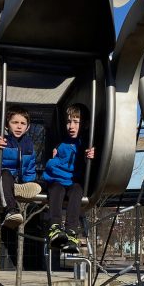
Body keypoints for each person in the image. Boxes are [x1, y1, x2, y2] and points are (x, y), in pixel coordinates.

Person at [42, 104, 95, 254]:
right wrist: (54, 160)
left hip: (73, 182)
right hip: (58, 181)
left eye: (76, 122)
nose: (71, 126)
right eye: (69, 122)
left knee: (77, 190)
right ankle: (55, 227)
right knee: (56, 189)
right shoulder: (61, 142)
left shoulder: (85, 143)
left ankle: (72, 231)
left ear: (85, 124)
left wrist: (89, 157)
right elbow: (53, 165)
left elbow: (86, 165)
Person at [0, 106, 41, 229]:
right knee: (5, 174)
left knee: (33, 182)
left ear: (28, 127)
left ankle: (17, 188)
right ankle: (11, 209)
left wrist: (30, 181)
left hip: (17, 179)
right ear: (7, 125)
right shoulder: (1, 140)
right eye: (15, 122)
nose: (19, 126)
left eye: (22, 123)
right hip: (0, 177)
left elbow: (30, 167)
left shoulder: (29, 146)